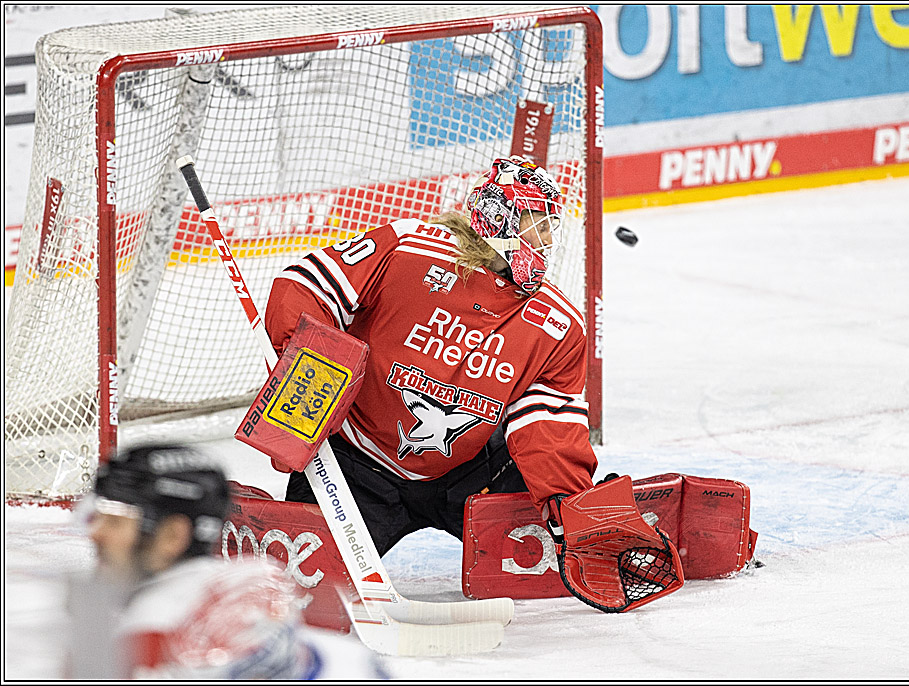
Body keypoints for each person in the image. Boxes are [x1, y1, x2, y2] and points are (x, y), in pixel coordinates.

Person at [264, 155, 597, 555]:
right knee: (305, 577)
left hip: (471, 474)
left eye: (550, 227)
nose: (546, 240)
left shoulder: (558, 324)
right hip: (355, 464)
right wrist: (306, 392)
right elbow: (302, 289)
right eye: (537, 224)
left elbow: (547, 426)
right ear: (501, 220)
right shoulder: (408, 248)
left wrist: (566, 503)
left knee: (547, 563)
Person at [68, 442, 357, 679]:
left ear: (172, 536)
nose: (96, 534)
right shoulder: (249, 587)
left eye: (115, 522)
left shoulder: (153, 636)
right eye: (96, 518)